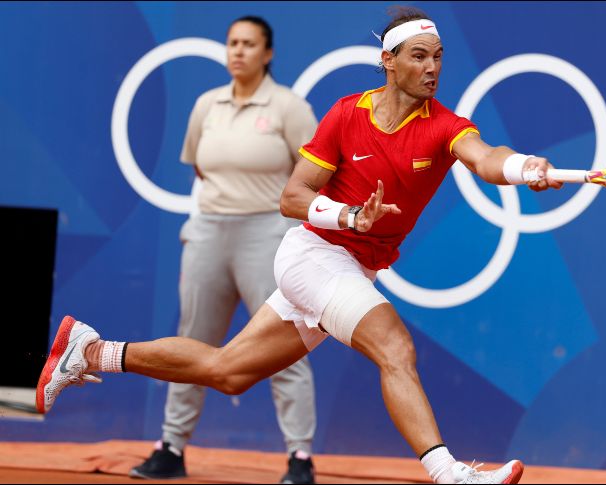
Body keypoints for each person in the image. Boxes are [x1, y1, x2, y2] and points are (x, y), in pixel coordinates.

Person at [36, 7, 562, 484]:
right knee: (395, 347)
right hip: (312, 255)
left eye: (438, 57)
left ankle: (92, 351)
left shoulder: (445, 126)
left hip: (355, 267)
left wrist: (524, 168)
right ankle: (449, 474)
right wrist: (351, 215)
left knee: (229, 371)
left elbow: (487, 157)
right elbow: (292, 198)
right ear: (389, 60)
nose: (432, 68)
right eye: (419, 56)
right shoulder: (345, 114)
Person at [130, 16, 319, 484]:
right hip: (210, 232)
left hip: (269, 237)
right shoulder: (204, 106)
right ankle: (171, 448)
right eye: (232, 43)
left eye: (249, 44)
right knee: (192, 339)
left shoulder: (289, 107)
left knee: (282, 347)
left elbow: (312, 178)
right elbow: (201, 171)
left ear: (267, 53)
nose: (238, 51)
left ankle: (300, 458)